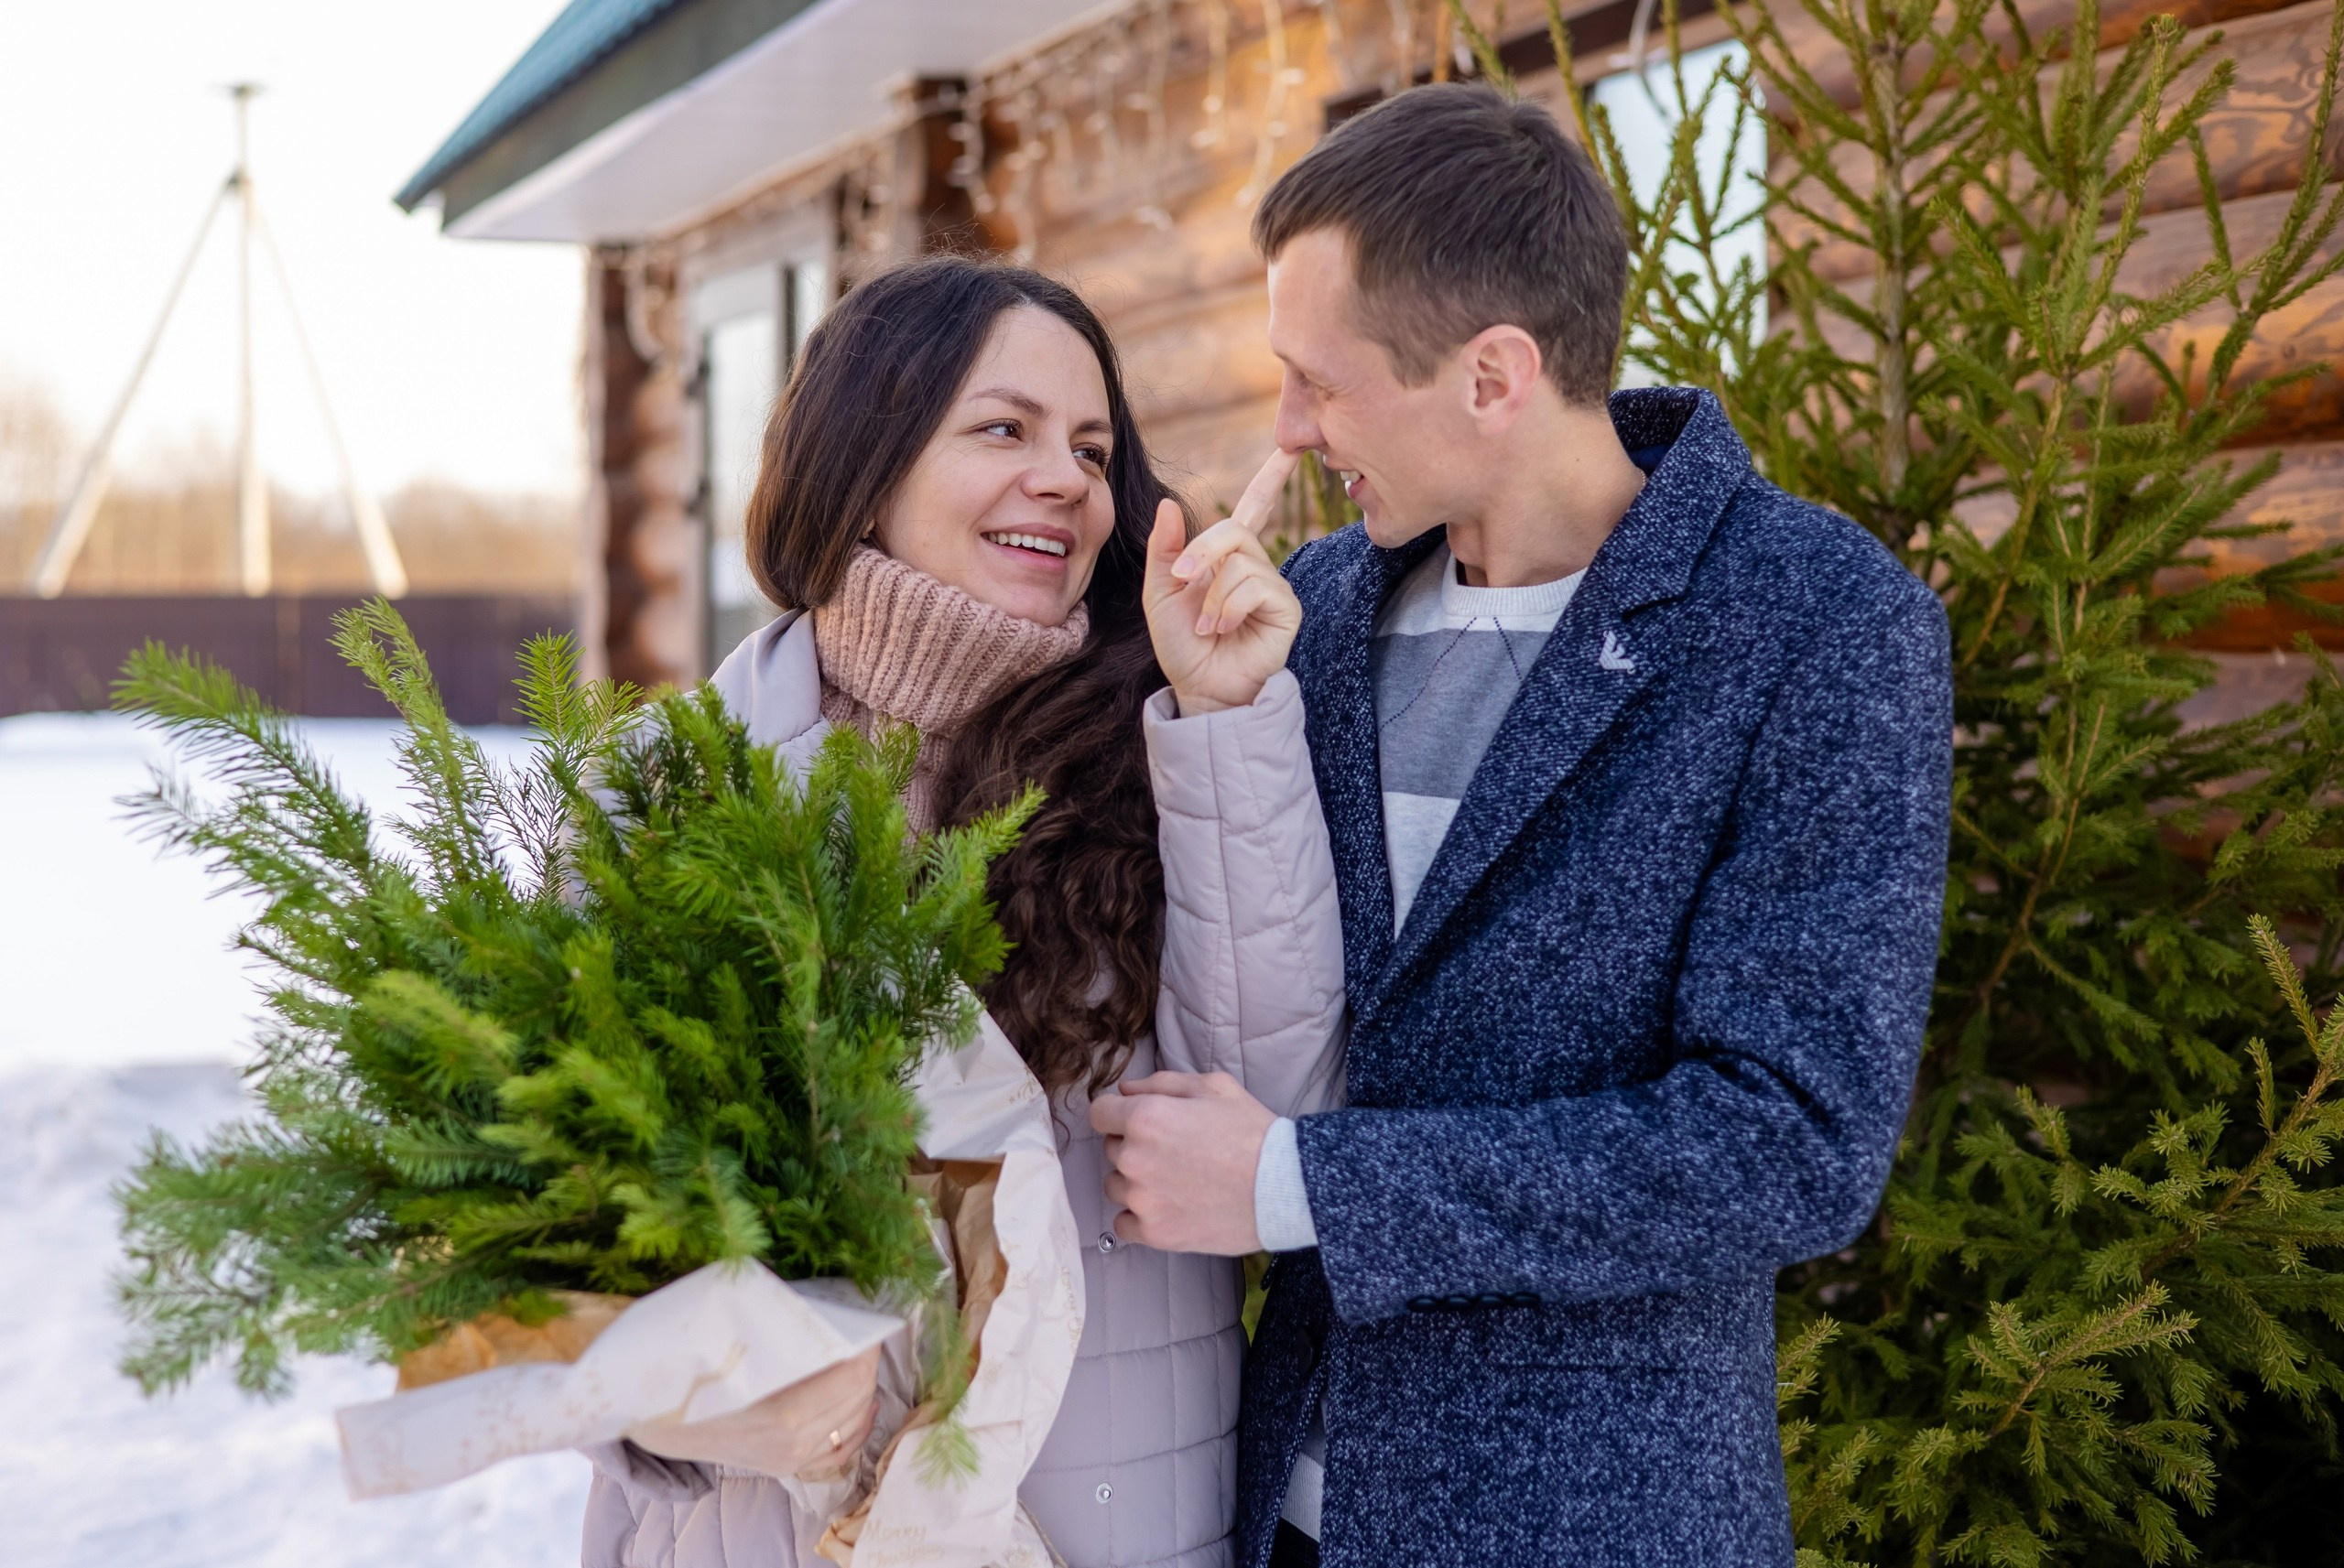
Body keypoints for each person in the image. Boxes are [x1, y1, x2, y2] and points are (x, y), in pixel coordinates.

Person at [1091, 83, 1954, 1567]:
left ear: (1493, 375)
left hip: (1582, 1529)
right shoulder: (1313, 615)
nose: (1288, 428)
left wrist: (1303, 1183)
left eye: (1322, 381)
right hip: (1276, 1525)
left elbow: (1790, 1140)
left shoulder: (1819, 624)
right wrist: (1218, 718)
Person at [581, 256, 1344, 1568]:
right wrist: (687, 1406)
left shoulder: (1157, 756)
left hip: (1119, 1524)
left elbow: (1275, 1097)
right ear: (861, 462)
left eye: (1095, 449)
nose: (1068, 479)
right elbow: (552, 1237)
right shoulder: (670, 795)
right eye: (1005, 428)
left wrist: (1221, 721)